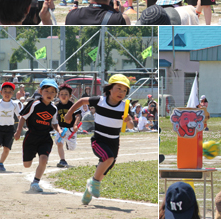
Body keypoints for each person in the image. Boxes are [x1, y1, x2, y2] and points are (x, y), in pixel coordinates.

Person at [63, 74, 133, 205]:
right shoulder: (100, 101)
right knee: (108, 158)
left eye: (124, 90)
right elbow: (82, 101)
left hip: (114, 142)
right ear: (110, 89)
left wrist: (128, 121)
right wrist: (69, 114)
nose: (121, 92)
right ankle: (93, 182)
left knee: (107, 166)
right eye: (118, 88)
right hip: (98, 140)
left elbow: (130, 126)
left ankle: (89, 190)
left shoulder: (125, 106)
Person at [15, 78, 62, 193]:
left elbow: (55, 123)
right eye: (47, 91)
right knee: (27, 165)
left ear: (56, 94)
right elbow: (23, 117)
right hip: (31, 136)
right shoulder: (35, 104)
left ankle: (35, 182)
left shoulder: (53, 108)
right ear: (41, 92)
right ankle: (30, 162)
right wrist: (18, 131)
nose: (49, 94)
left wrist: (59, 131)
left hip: (45, 138)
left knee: (44, 159)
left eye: (53, 92)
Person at [54, 83, 80, 168]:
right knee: (59, 143)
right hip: (61, 129)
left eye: (66, 94)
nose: (63, 96)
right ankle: (62, 160)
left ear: (70, 96)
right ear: (58, 95)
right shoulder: (56, 106)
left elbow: (78, 115)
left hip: (71, 129)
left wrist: (75, 125)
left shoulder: (72, 105)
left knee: (71, 148)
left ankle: (69, 144)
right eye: (61, 94)